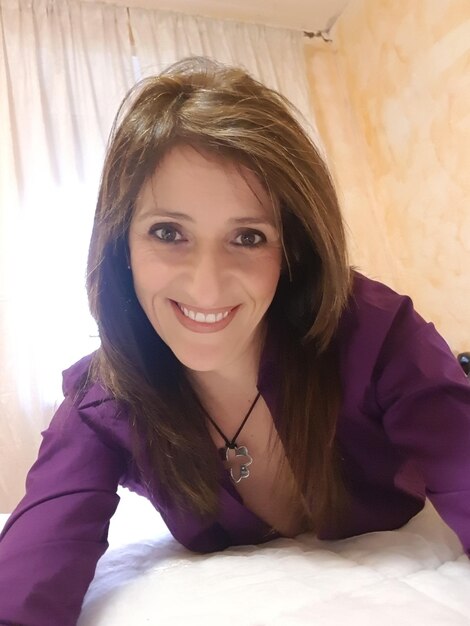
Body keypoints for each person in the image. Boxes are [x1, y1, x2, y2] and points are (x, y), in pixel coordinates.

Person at [0, 56, 469, 625]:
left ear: (290, 250)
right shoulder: (104, 399)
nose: (206, 283)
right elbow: (25, 578)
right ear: (122, 245)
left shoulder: (377, 336)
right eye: (167, 232)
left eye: (248, 236)